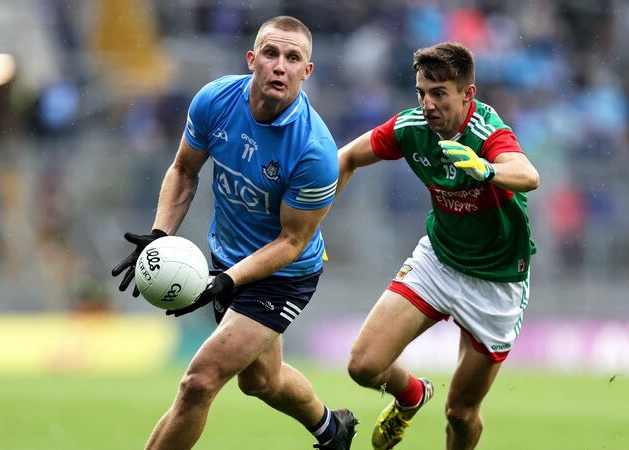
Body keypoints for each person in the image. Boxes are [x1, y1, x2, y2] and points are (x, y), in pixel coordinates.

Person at [111, 16, 358, 450]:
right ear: (252, 60)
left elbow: (291, 241)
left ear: (307, 71)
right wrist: (158, 234)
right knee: (262, 380)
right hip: (227, 258)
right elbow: (184, 170)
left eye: (293, 58)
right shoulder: (215, 100)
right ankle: (331, 432)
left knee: (198, 383)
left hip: (284, 275)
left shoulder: (315, 150)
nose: (280, 66)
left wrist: (226, 281)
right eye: (271, 54)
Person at [336, 42, 540, 450]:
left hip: (496, 281)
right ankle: (410, 394)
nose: (427, 104)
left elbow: (528, 174)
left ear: (468, 95)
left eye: (439, 93)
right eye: (421, 93)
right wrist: (307, 226)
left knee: (460, 415)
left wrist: (486, 169)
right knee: (363, 365)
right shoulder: (411, 127)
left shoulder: (486, 133)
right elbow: (345, 158)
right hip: (439, 261)